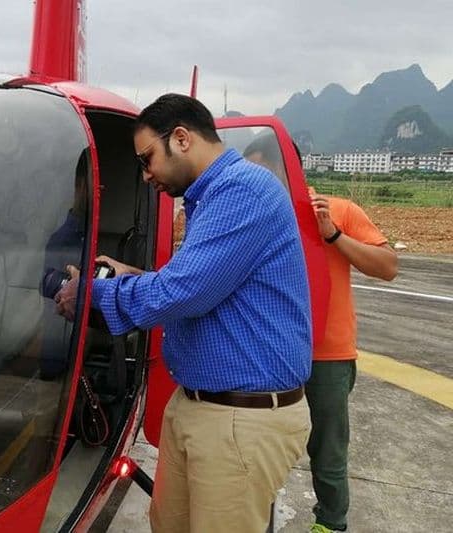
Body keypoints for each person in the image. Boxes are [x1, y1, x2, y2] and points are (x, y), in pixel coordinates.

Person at [55, 93, 313, 532]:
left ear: (181, 138)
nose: (145, 173)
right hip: (201, 406)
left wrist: (92, 294)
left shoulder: (243, 191)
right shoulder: (209, 199)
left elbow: (183, 292)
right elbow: (208, 286)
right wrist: (128, 275)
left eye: (147, 158)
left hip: (239, 419)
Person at [307, 180, 398, 533]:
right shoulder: (257, 211)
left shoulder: (337, 209)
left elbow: (388, 266)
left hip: (327, 357)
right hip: (271, 351)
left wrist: (333, 235)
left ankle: (330, 523)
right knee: (258, 443)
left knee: (328, 451)